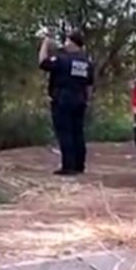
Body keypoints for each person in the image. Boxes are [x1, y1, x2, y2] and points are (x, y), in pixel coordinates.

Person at [38, 28, 94, 175]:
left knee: (65, 132)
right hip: (80, 99)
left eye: (68, 40)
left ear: (74, 43)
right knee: (78, 132)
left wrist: (45, 43)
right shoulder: (86, 62)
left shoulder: (63, 59)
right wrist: (87, 100)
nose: (65, 43)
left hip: (63, 99)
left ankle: (68, 166)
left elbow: (42, 62)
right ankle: (79, 165)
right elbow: (89, 84)